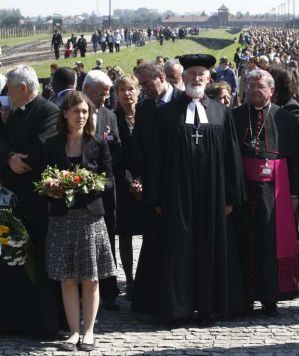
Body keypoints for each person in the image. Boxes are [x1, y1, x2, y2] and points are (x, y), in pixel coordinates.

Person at [148, 54, 246, 326]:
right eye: (191, 73)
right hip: (176, 194)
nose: (196, 78)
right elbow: (157, 157)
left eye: (201, 74)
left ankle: (207, 308)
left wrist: (231, 196)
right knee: (178, 249)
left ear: (209, 78)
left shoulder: (221, 112)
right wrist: (156, 195)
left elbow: (231, 158)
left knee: (209, 248)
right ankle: (177, 308)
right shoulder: (166, 113)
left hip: (213, 195)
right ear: (182, 77)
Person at [43, 91, 116, 352]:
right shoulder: (52, 144)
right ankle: (73, 332)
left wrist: (88, 184)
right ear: (65, 113)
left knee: (91, 279)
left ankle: (89, 332)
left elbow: (109, 179)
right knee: (68, 278)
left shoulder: (98, 142)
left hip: (89, 219)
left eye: (85, 111)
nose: (81, 116)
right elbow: (43, 180)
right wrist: (51, 186)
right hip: (62, 219)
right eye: (76, 111)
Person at [231, 69, 299, 316]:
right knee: (242, 240)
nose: (254, 90)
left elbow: (296, 159)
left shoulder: (285, 118)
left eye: (260, 86)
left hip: (274, 192)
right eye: (250, 86)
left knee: (269, 243)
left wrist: (295, 193)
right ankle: (243, 296)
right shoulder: (235, 116)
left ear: (271, 90)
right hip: (243, 190)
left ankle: (270, 296)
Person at [0, 65, 62, 336]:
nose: (7, 95)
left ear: (22, 88)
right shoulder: (16, 113)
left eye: (10, 90)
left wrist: (16, 160)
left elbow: (41, 148)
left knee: (37, 261)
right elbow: (1, 141)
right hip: (13, 200)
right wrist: (9, 157)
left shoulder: (48, 111)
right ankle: (14, 318)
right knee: (12, 259)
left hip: (37, 201)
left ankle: (42, 321)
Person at [131, 61, 183, 315]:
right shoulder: (144, 108)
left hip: (180, 187)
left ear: (161, 77)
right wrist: (139, 177)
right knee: (154, 244)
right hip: (153, 189)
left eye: (146, 84)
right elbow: (138, 146)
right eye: (140, 85)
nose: (143, 90)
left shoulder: (184, 102)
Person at [82, 70, 121, 311]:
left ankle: (109, 290)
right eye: (100, 94)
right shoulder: (76, 111)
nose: (104, 100)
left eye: (107, 95)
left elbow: (116, 142)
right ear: (86, 89)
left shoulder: (108, 114)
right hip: (82, 189)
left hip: (105, 189)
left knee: (107, 241)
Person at [112, 74, 143, 301]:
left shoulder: (147, 115)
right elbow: (114, 157)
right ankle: (130, 281)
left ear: (138, 91)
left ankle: (145, 279)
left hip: (146, 183)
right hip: (123, 185)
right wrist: (130, 181)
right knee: (124, 234)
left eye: (130, 89)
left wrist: (142, 180)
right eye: (121, 90)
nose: (126, 93)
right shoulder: (112, 119)